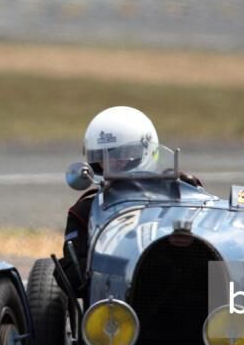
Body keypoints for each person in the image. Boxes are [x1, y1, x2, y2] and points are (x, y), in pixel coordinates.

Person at [61, 106, 201, 291]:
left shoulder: (182, 198)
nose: (112, 162)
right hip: (113, 302)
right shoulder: (84, 211)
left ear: (146, 150)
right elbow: (70, 276)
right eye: (103, 155)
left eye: (121, 154)